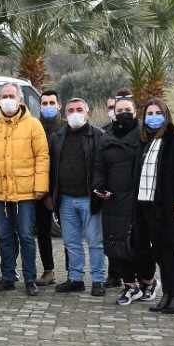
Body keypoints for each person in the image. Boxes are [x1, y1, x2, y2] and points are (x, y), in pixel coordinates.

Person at [0, 83, 49, 296]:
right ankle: (8, 277)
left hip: (26, 192)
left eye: (12, 96)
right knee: (5, 236)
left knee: (26, 236)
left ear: (20, 100)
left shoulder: (34, 125)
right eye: (4, 96)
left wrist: (40, 187)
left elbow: (42, 157)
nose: (8, 99)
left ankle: (29, 279)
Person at [126, 98, 174, 314]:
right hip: (145, 207)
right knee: (159, 254)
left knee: (170, 252)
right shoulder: (143, 142)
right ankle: (166, 294)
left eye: (158, 113)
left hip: (168, 207)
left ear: (166, 116)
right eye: (149, 114)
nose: (153, 117)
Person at [93, 96, 149, 304]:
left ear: (135, 112)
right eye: (120, 109)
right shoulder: (106, 136)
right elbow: (98, 166)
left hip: (136, 201)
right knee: (115, 245)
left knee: (137, 244)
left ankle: (147, 281)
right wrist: (99, 188)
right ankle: (129, 286)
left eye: (127, 109)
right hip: (112, 200)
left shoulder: (143, 136)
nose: (123, 113)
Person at [48, 98, 105, 296]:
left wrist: (100, 190)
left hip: (89, 198)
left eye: (79, 109)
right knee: (71, 242)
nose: (75, 113)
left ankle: (98, 280)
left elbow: (103, 167)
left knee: (95, 242)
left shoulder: (98, 136)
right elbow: (51, 167)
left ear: (88, 113)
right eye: (70, 110)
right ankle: (75, 278)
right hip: (65, 198)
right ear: (64, 115)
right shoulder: (57, 137)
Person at [35, 89, 62, 286]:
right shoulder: (34, 127)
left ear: (59, 105)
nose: (48, 107)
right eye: (44, 103)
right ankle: (48, 270)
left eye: (52, 103)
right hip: (39, 188)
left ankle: (74, 274)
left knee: (70, 234)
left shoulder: (66, 128)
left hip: (63, 188)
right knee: (42, 231)